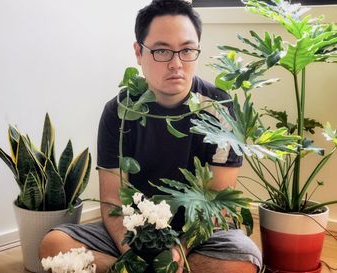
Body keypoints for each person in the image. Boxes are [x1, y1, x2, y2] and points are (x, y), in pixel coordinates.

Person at [39, 1, 262, 272]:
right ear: (139, 52)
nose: (176, 64)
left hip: (199, 234)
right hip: (136, 232)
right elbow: (112, 200)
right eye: (161, 51)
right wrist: (133, 255)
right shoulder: (119, 111)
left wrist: (176, 255)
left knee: (242, 264)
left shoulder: (219, 109)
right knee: (54, 245)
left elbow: (215, 203)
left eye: (187, 50)